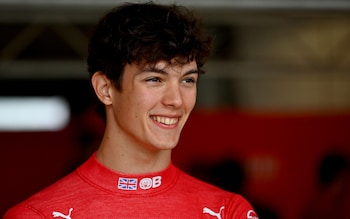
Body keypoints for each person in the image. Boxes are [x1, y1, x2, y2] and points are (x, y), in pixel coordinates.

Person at [4, 2, 258, 218]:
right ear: (105, 88)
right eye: (154, 79)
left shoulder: (228, 212)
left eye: (187, 80)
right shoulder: (39, 215)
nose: (176, 100)